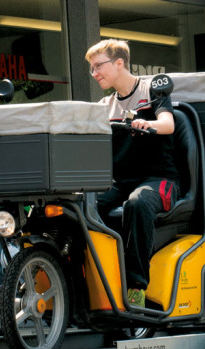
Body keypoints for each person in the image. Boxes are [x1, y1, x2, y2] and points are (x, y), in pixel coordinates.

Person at [85, 39, 177, 308]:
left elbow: (168, 124)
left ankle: (136, 286)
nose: (95, 73)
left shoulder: (152, 91)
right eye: (91, 69)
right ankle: (99, 279)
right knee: (84, 205)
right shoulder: (105, 105)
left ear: (119, 63)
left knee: (137, 203)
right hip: (121, 181)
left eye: (98, 66)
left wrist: (146, 123)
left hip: (159, 179)